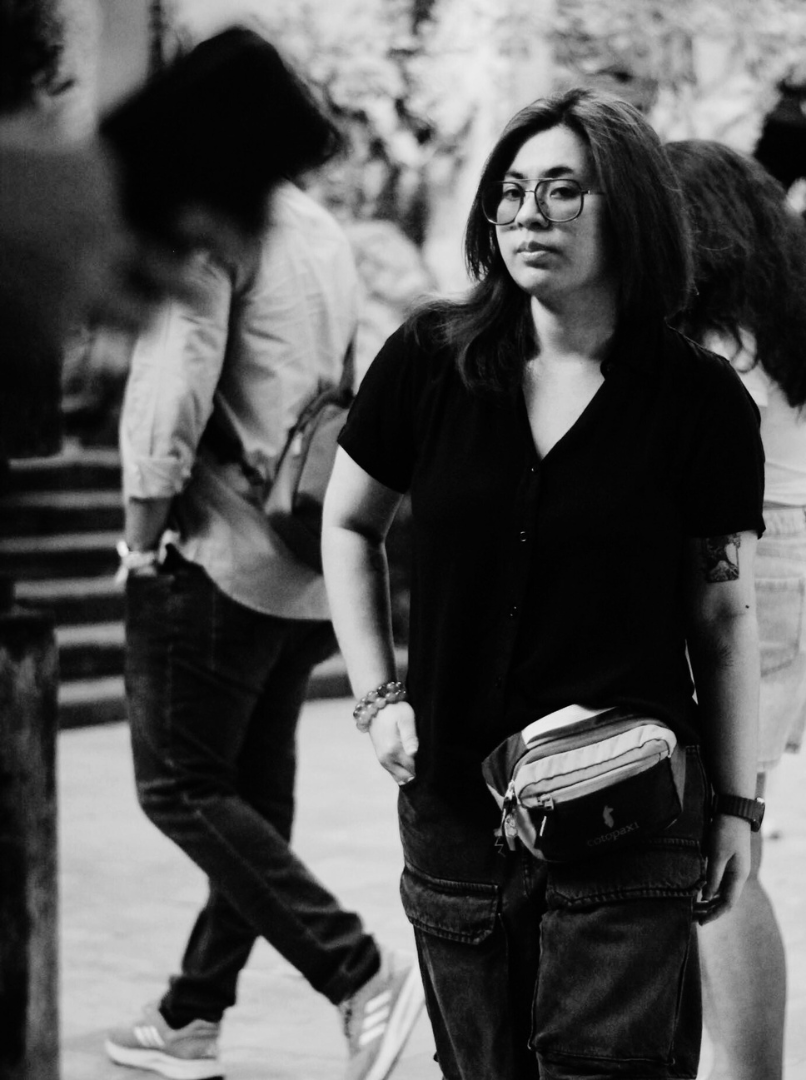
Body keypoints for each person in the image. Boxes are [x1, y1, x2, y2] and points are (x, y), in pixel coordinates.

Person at [322, 87, 766, 1080]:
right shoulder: (430, 361)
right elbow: (348, 525)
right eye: (513, 191)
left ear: (632, 212)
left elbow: (724, 615)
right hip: (455, 813)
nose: (528, 214)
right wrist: (377, 697)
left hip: (628, 813)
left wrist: (738, 808)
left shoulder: (700, 403)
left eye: (564, 190)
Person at [106, 179, 424, 1080]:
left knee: (178, 785)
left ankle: (359, 974)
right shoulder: (319, 225)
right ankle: (191, 1013)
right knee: (253, 799)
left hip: (220, 553)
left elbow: (171, 382)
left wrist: (140, 538)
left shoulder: (212, 219)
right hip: (301, 552)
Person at [664, 139, 806, 1080]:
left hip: (734, 573)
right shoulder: (802, 339)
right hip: (797, 571)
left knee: (714, 854)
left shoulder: (709, 348)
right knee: (729, 832)